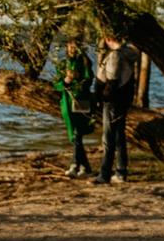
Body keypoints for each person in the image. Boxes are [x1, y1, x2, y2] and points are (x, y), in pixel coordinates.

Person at [94, 34, 139, 184]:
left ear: (108, 39)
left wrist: (102, 98)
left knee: (108, 139)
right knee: (119, 136)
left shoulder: (115, 56)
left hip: (113, 101)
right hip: (122, 100)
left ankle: (104, 174)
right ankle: (120, 171)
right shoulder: (127, 54)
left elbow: (112, 80)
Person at [57, 37, 96, 177]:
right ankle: (85, 168)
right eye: (70, 47)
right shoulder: (62, 64)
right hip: (67, 101)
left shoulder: (85, 63)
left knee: (77, 133)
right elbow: (56, 84)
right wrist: (65, 81)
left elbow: (89, 80)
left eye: (75, 48)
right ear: (67, 48)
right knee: (73, 134)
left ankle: (74, 165)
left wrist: (78, 78)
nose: (73, 50)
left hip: (81, 100)